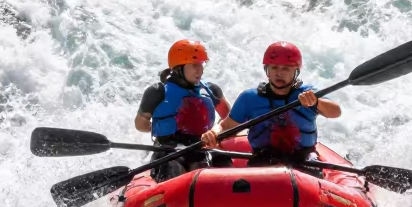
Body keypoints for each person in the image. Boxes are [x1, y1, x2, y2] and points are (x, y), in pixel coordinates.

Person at [201, 42, 341, 170]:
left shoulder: (307, 94)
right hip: (263, 159)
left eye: (286, 68)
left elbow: (336, 112)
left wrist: (316, 102)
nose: (279, 73)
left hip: (303, 160)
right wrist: (213, 133)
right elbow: (226, 126)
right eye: (274, 67)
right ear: (266, 69)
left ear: (296, 71)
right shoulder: (250, 98)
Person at [135, 39, 230, 179]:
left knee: (222, 162)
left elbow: (230, 117)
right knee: (171, 168)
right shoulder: (158, 92)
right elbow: (140, 124)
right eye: (194, 65)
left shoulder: (211, 90)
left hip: (200, 147)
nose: (200, 70)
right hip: (168, 150)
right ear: (179, 67)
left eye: (201, 65)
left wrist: (214, 132)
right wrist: (163, 126)